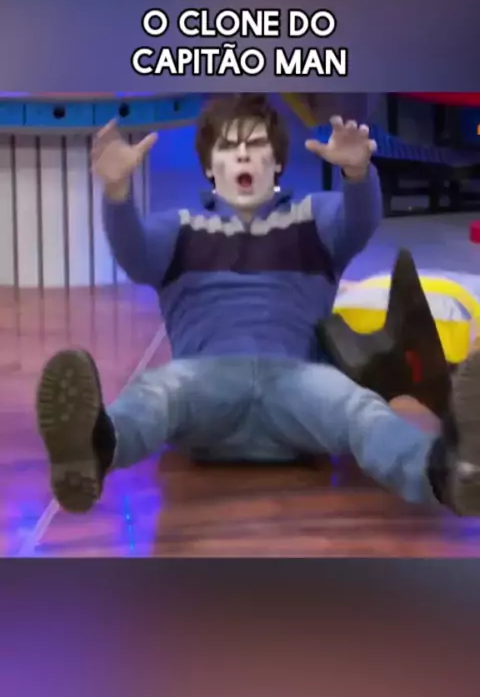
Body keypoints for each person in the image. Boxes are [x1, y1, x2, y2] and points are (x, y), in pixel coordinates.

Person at [36, 93, 480, 518]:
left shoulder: (314, 217)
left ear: (277, 162)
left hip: (297, 388)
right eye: (229, 147)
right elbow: (134, 254)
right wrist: (117, 192)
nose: (243, 155)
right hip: (205, 386)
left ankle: (447, 473)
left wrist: (358, 173)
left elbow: (358, 223)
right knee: (156, 392)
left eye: (255, 145)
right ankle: (93, 449)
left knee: (359, 410)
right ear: (210, 167)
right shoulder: (178, 227)